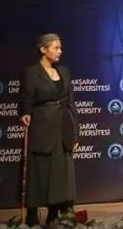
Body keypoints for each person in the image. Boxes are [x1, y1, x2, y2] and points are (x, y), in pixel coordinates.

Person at [19, 33, 79, 226]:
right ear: (43, 50)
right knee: (40, 171)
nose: (60, 51)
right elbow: (26, 98)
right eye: (56, 48)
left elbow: (71, 104)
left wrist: (74, 132)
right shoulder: (31, 72)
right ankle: (32, 214)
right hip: (42, 126)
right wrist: (25, 113)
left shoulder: (64, 72)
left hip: (63, 127)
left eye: (60, 48)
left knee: (60, 173)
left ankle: (55, 213)